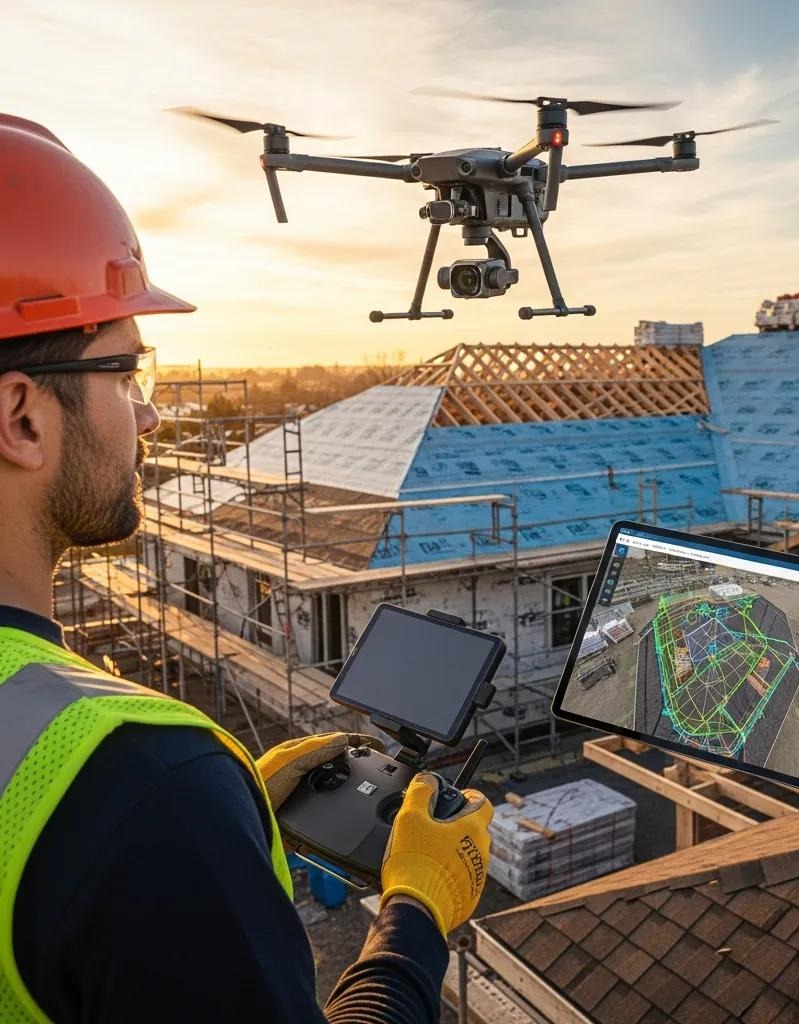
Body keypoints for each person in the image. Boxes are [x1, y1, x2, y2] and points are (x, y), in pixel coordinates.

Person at [0, 113, 493, 1024]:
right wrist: (417, 913)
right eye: (125, 375)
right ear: (22, 418)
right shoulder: (134, 781)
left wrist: (218, 812)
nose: (148, 419)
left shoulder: (143, 792)